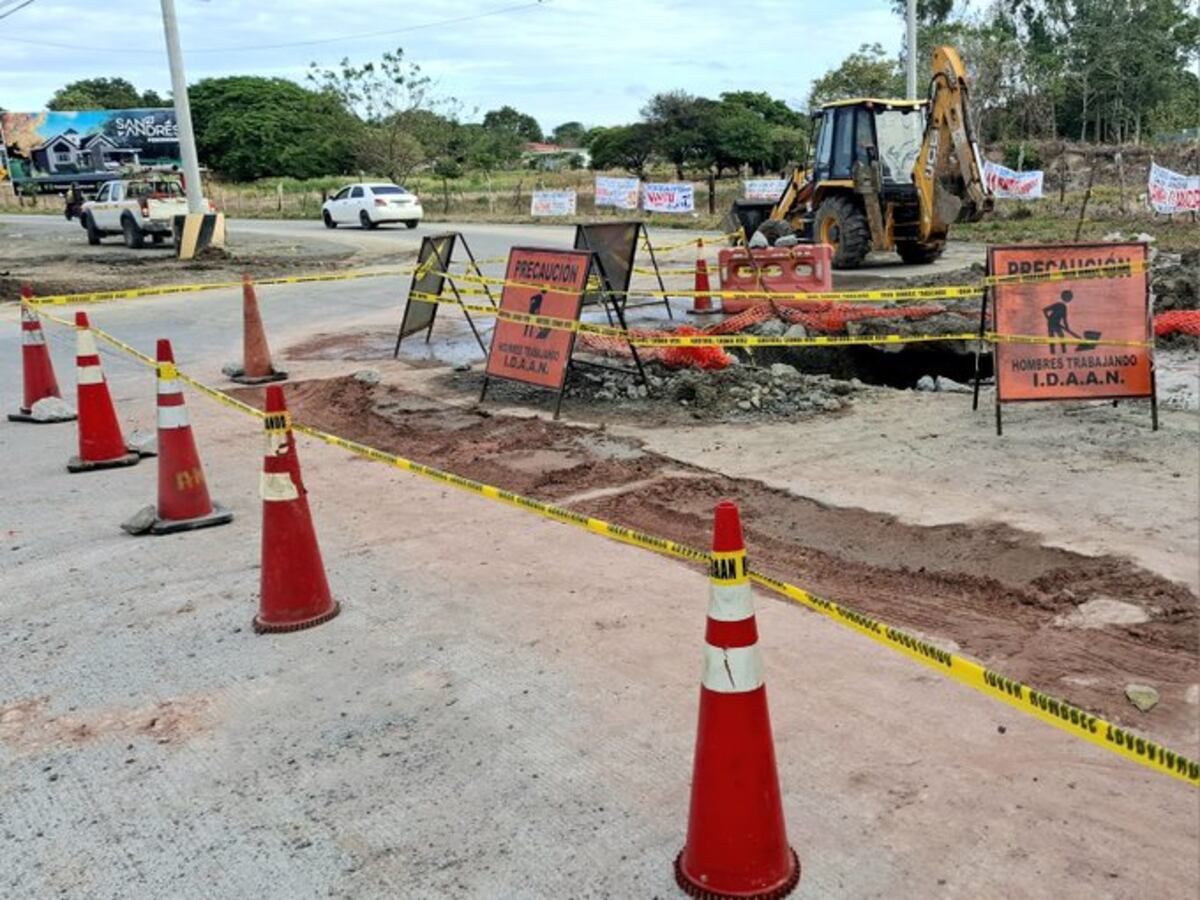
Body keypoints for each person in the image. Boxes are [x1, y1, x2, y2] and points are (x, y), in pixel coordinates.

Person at [1042, 289, 1080, 354]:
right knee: (1060, 338)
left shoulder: (1060, 305)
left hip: (1053, 323)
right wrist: (1049, 319)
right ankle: (1063, 352)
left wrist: (1049, 319)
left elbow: (1045, 310)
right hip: (1053, 324)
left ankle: (1054, 352)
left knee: (1053, 339)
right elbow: (1044, 310)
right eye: (1069, 298)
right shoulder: (1061, 306)